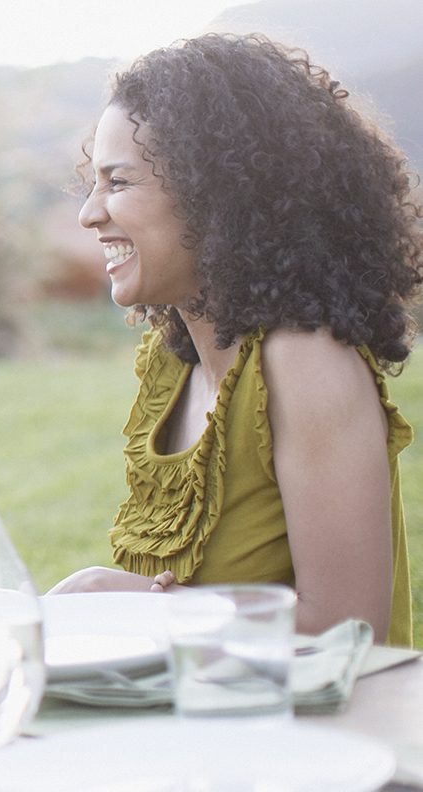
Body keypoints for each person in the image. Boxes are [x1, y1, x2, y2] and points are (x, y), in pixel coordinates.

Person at [53, 34, 422, 646]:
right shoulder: (173, 364)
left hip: (308, 737)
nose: (89, 214)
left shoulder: (304, 363)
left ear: (214, 195)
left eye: (118, 183)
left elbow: (347, 633)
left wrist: (115, 599)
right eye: (94, 184)